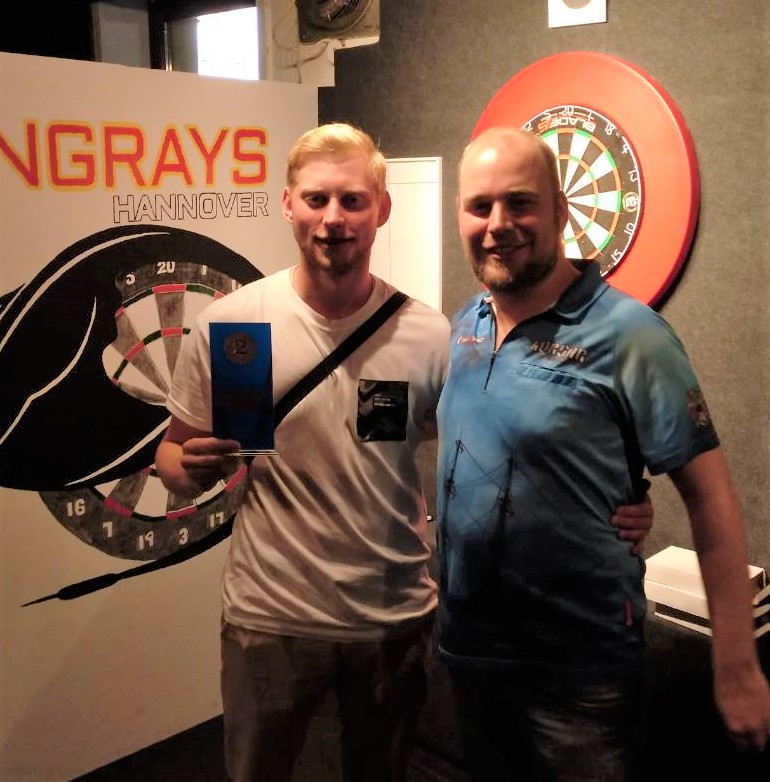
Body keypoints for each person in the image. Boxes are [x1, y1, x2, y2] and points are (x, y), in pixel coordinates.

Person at [154, 122, 654, 782]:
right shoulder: (231, 324)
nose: (333, 218)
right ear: (287, 204)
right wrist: (185, 469)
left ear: (381, 209)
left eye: (352, 200)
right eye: (316, 199)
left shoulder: (428, 334)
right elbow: (171, 456)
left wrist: (620, 499)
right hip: (268, 618)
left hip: (390, 620)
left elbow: (491, 445)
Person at [435, 125, 770, 781]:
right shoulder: (467, 324)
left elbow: (711, 498)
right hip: (469, 659)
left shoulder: (632, 335)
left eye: (520, 203)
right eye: (479, 206)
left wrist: (736, 664)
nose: (498, 224)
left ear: (561, 211)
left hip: (576, 679)